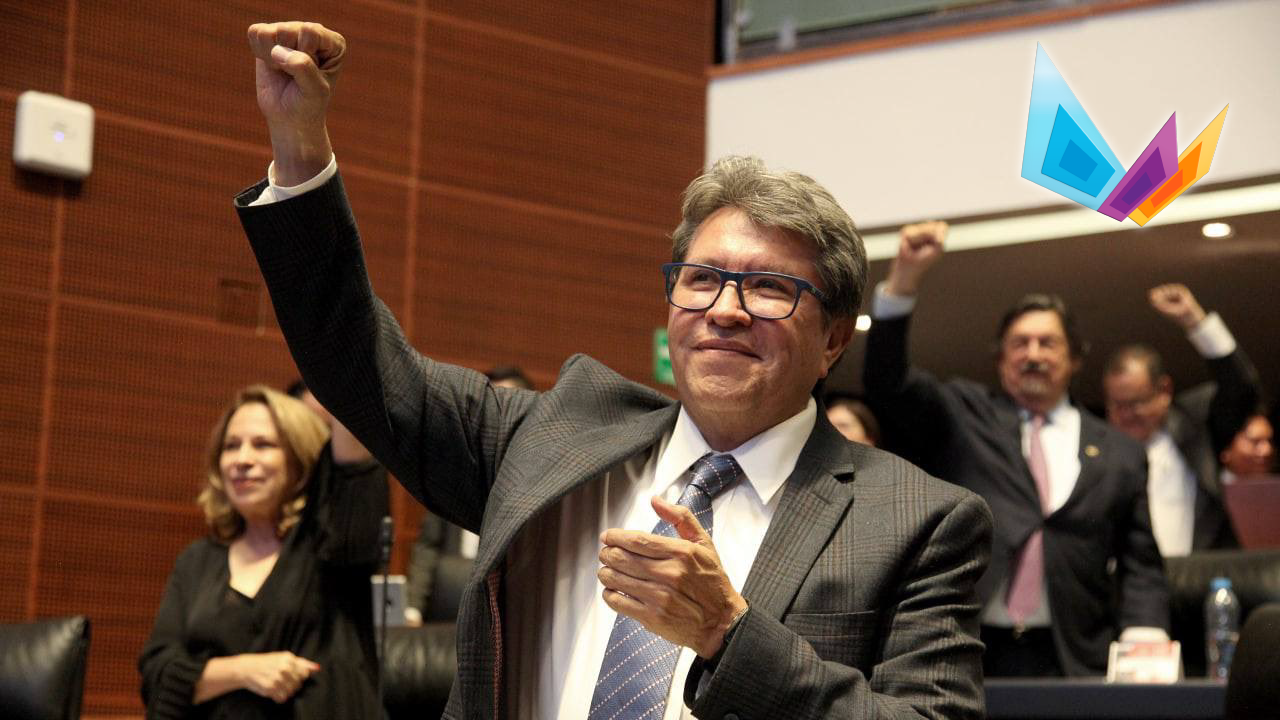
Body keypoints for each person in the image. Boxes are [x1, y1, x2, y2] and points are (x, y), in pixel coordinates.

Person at [233, 21, 993, 719]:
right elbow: (359, 364)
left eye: (768, 288)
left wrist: (729, 635)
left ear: (832, 340)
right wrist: (300, 149)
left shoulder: (915, 521)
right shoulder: (553, 438)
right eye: (702, 279)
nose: (725, 309)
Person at [862, 220, 1169, 678]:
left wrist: (1145, 638)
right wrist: (903, 282)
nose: (1033, 354)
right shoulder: (966, 414)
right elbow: (888, 382)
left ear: (1074, 359)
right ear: (1001, 359)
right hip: (967, 649)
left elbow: (1140, 561)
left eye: (1048, 343)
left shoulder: (1121, 451)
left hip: (1075, 655)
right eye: (1020, 344)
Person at [138, 385, 389, 719]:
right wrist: (243, 670)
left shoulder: (332, 547)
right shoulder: (197, 560)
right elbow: (157, 675)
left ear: (301, 458)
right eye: (231, 446)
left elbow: (355, 464)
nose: (242, 460)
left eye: (263, 445)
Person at [1102, 284, 1260, 555]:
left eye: (1136, 403)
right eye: (1117, 405)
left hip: (1197, 572)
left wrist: (1194, 321)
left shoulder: (1194, 425)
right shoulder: (1096, 447)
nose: (1126, 415)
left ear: (1164, 390)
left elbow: (1242, 388)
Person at [1220, 413, 1275, 481]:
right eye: (1255, 441)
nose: (1267, 450)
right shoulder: (1212, 485)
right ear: (1226, 450)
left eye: (1270, 441)